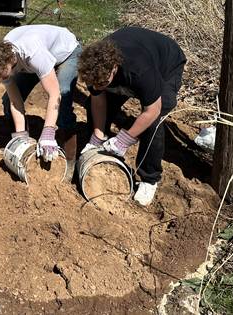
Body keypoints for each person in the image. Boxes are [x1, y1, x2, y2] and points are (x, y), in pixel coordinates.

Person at [78, 26, 186, 206]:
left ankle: (149, 178)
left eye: (103, 82)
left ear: (114, 68)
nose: (98, 86)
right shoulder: (94, 68)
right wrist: (97, 136)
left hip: (166, 64)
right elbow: (98, 99)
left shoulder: (138, 70)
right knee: (95, 103)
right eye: (95, 83)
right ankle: (100, 147)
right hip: (133, 52)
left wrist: (124, 140)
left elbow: (153, 110)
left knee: (153, 123)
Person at [0, 24, 82, 181]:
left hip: (67, 53)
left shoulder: (32, 52)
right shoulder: (1, 62)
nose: (1, 80)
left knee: (63, 99)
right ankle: (27, 146)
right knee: (6, 100)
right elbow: (15, 101)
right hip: (33, 62)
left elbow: (54, 94)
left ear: (9, 60)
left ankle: (70, 161)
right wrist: (21, 137)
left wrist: (48, 132)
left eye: (2, 76)